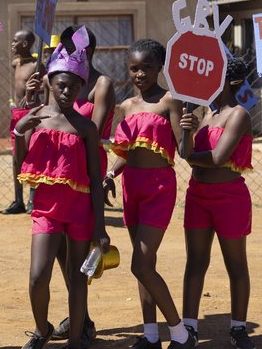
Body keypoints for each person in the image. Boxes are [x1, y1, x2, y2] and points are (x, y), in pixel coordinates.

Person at [15, 27, 109, 349]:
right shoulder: (36, 118)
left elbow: (95, 180)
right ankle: (42, 329)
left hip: (80, 210)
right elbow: (21, 168)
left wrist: (100, 226)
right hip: (46, 208)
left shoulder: (86, 127)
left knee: (77, 276)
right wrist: (18, 133)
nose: (67, 91)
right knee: (38, 275)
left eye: (74, 86)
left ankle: (74, 341)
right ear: (50, 84)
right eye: (61, 85)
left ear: (82, 86)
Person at [104, 39, 193, 348]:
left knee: (140, 264)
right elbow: (123, 152)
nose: (140, 74)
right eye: (134, 68)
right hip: (131, 187)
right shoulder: (126, 106)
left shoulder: (170, 101)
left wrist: (189, 128)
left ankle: (180, 334)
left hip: (158, 188)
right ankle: (151, 335)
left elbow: (183, 150)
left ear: (160, 68)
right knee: (146, 265)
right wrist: (110, 173)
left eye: (147, 68)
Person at [179, 57, 255, 349]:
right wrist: (186, 128)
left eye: (211, 77)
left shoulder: (239, 115)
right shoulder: (206, 115)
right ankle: (189, 328)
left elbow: (217, 158)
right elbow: (184, 150)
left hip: (230, 198)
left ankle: (238, 329)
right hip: (198, 195)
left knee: (236, 264)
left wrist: (188, 155)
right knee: (195, 262)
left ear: (229, 81)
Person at [47, 26, 116, 346]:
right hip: (57, 169)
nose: (69, 53)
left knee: (84, 247)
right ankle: (81, 317)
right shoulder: (61, 81)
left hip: (86, 171)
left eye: (75, 48)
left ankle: (81, 318)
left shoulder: (101, 84)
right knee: (60, 245)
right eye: (64, 47)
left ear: (88, 51)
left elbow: (94, 129)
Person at [4, 28, 45, 215]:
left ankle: (32, 198)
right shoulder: (17, 63)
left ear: (25, 44)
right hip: (17, 114)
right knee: (16, 157)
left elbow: (46, 88)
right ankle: (18, 199)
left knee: (32, 154)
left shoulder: (38, 66)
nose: (12, 44)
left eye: (15, 41)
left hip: (31, 112)